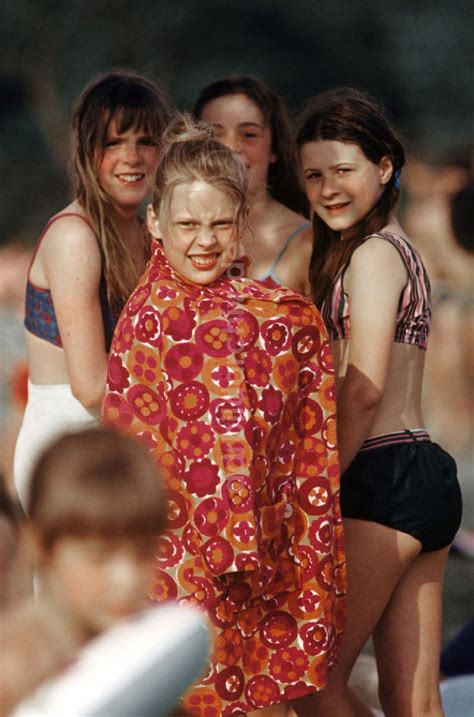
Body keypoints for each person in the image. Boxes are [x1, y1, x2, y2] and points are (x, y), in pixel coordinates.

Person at [103, 115, 346, 717]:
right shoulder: (147, 321)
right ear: (156, 222)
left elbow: (309, 454)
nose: (203, 241)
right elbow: (127, 457)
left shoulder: (286, 319)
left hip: (270, 560)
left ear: (243, 224)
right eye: (187, 223)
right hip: (176, 564)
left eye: (218, 223)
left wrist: (288, 550)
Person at [295, 88, 463, 717]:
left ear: (384, 168)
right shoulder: (403, 253)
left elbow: (363, 388)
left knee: (313, 685)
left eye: (343, 170)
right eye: (313, 175)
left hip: (381, 475)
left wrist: (314, 488)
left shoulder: (370, 256)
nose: (327, 188)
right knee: (414, 703)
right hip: (423, 474)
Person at [13, 70, 173, 508]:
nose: (131, 158)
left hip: (127, 442)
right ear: (86, 150)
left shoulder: (148, 235)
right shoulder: (74, 237)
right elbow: (91, 387)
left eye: (146, 142)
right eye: (113, 143)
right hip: (69, 448)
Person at [1, 427, 168, 716]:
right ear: (40, 546)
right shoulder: (14, 673)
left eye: (143, 553)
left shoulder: (142, 646)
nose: (126, 579)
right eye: (98, 557)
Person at [193, 76, 312, 295]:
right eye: (213, 135)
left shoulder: (307, 244)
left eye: (248, 135)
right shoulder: (171, 235)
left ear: (274, 148)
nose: (229, 147)